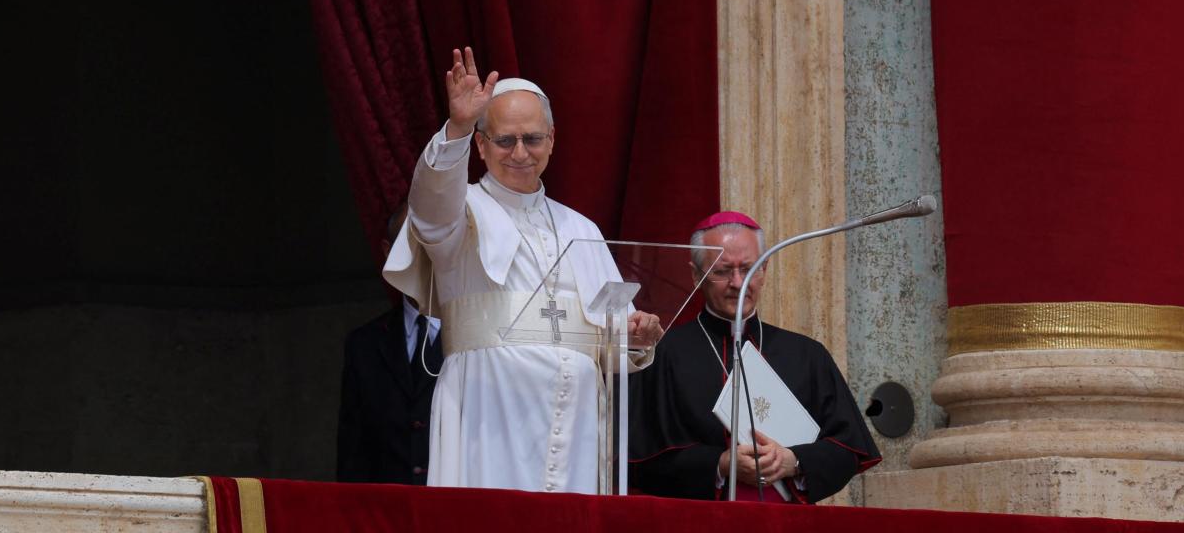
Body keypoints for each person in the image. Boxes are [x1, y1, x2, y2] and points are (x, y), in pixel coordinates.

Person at [383, 47, 663, 494]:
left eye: (532, 139)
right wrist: (456, 126)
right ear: (480, 144)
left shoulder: (582, 227)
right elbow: (430, 209)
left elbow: (610, 340)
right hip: (488, 409)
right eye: (504, 140)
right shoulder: (463, 209)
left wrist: (634, 336)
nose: (520, 153)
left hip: (576, 425)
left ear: (552, 138)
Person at [629, 211, 880, 502]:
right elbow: (638, 461)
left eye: (749, 269)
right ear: (696, 275)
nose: (738, 283)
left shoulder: (807, 354)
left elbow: (848, 449)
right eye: (723, 271)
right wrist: (721, 465)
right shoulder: (664, 354)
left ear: (764, 269)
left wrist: (793, 461)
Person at [336, 206, 443, 484]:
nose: (425, 257)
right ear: (389, 252)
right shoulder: (364, 345)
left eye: (434, 243)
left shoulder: (476, 336)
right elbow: (353, 454)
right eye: (412, 245)